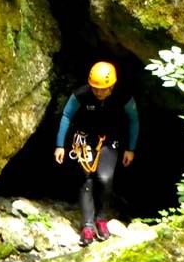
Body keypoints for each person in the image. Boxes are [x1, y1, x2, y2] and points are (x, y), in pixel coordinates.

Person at [53, 61, 139, 246]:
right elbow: (67, 116)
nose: (98, 92)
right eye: (95, 88)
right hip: (84, 140)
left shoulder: (123, 97)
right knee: (86, 178)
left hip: (109, 141)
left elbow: (133, 120)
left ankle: (102, 219)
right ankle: (87, 226)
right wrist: (60, 145)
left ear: (112, 86)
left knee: (105, 177)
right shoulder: (81, 95)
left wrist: (130, 149)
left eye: (103, 89)